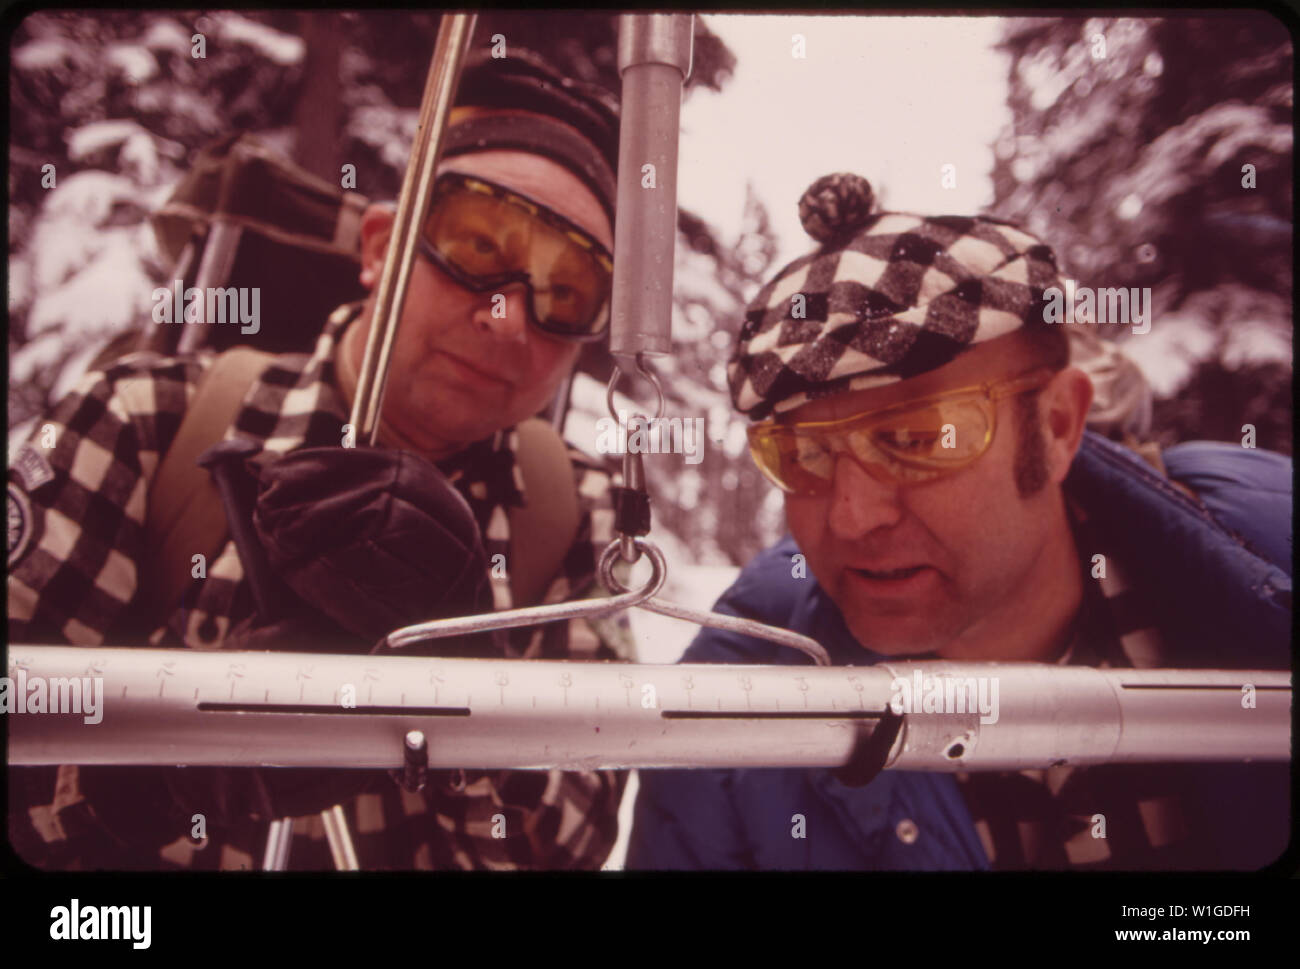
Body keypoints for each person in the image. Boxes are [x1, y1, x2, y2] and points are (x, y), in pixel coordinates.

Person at [7, 50, 632, 871]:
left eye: (568, 291)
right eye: (477, 242)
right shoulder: (145, 423)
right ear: (380, 246)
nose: (509, 319)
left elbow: (570, 843)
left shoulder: (576, 514)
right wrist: (167, 766)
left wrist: (469, 692)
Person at [627, 172, 1291, 871]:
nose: (853, 517)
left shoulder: (1265, 570)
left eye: (915, 439)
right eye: (807, 454)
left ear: (1059, 425)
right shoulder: (739, 701)